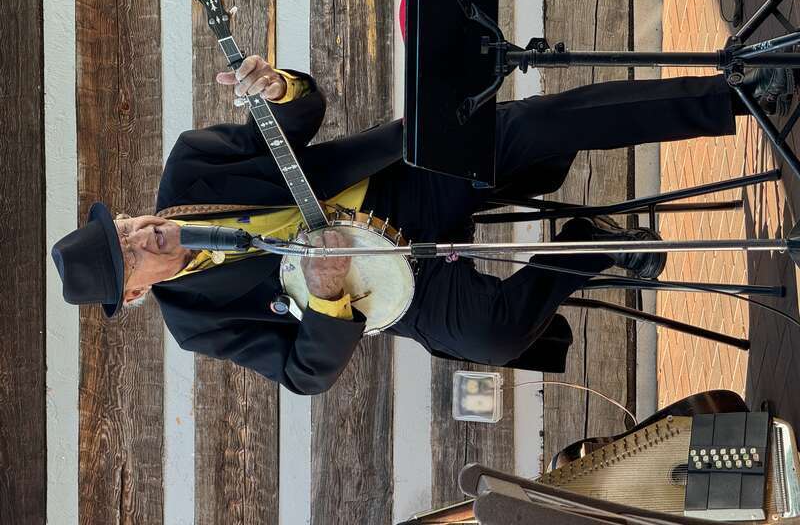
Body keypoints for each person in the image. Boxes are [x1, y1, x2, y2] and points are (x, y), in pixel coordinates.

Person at [51, 55, 794, 394]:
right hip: (389, 284)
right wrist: (329, 296)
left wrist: (278, 87)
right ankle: (584, 251)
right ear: (139, 294)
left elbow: (302, 117)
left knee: (537, 126)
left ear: (128, 212)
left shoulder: (191, 168)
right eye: (129, 260)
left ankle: (733, 95)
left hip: (405, 182)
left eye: (125, 229)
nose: (140, 239)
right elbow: (305, 373)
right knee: (493, 334)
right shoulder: (197, 321)